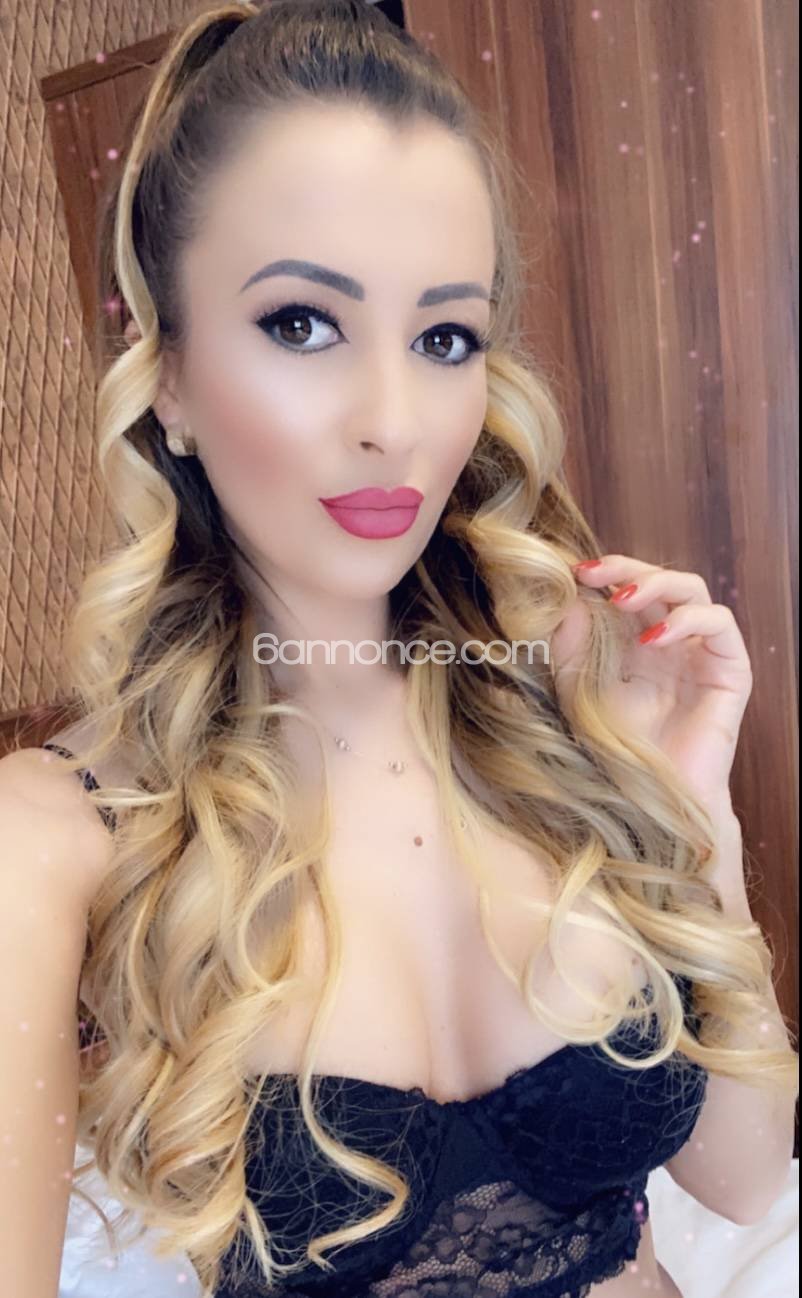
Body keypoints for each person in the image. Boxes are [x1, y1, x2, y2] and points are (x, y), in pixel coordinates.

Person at [1, 3, 797, 1297]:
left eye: (442, 338)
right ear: (170, 374)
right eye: (301, 323)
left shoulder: (555, 713)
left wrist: (694, 816)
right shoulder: (52, 839)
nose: (393, 420)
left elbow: (746, 1179)